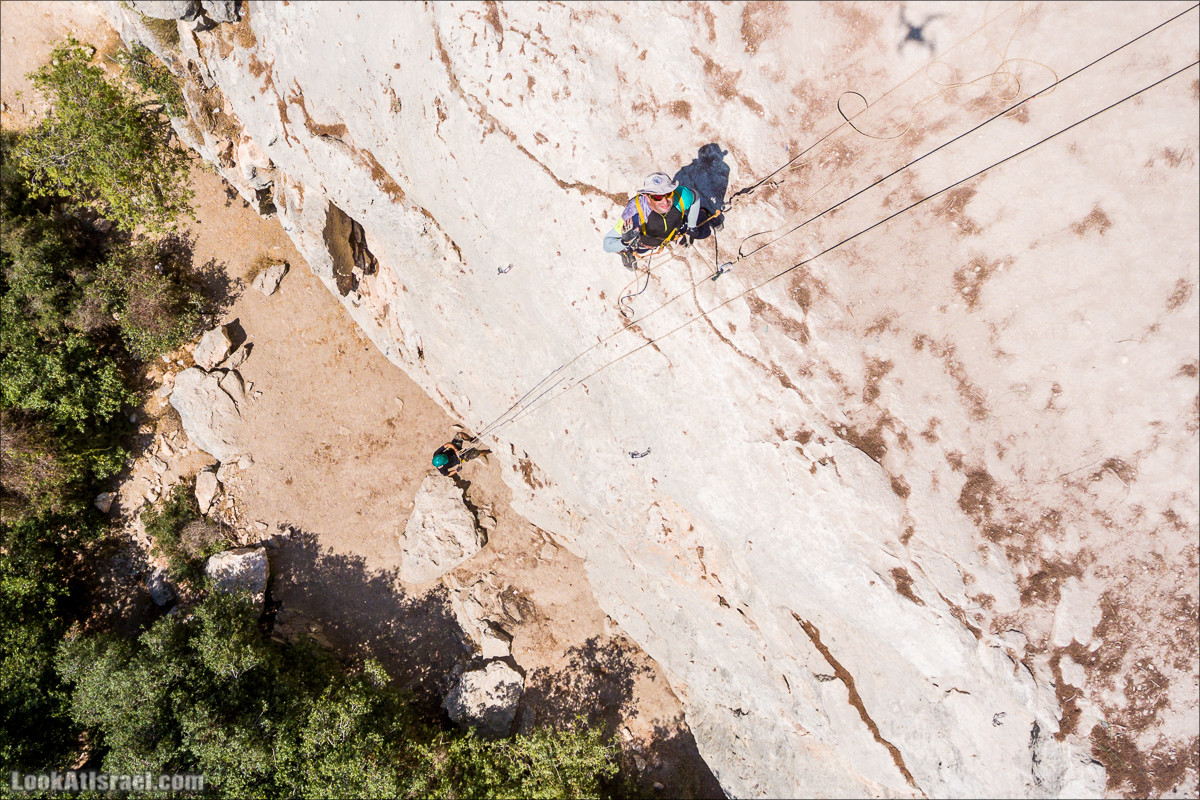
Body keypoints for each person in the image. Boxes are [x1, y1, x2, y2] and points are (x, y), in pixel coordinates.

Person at [602, 172, 720, 270]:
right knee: (640, 250)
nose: (665, 201)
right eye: (657, 197)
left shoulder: (682, 195)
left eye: (668, 194)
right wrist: (625, 242)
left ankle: (703, 213)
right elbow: (607, 244)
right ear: (647, 197)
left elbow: (696, 197)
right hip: (646, 240)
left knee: (704, 232)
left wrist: (692, 227)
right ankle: (625, 251)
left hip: (674, 227)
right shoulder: (634, 212)